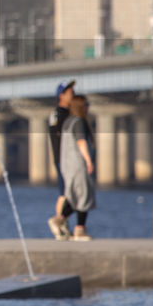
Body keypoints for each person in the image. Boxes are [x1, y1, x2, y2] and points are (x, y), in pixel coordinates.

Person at [58, 94, 96, 241]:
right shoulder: (79, 122)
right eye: (86, 104)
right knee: (84, 196)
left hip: (67, 164)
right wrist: (88, 160)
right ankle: (79, 229)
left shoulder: (68, 122)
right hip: (78, 164)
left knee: (73, 196)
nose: (88, 107)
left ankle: (60, 219)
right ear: (81, 107)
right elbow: (81, 142)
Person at [47, 79, 76, 240]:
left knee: (64, 192)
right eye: (70, 92)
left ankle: (61, 226)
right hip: (65, 158)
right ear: (62, 95)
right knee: (69, 192)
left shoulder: (56, 114)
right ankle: (58, 221)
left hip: (61, 158)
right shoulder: (63, 115)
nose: (73, 94)